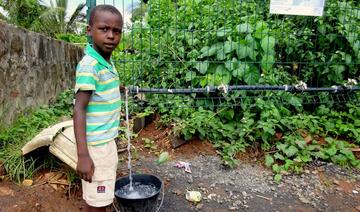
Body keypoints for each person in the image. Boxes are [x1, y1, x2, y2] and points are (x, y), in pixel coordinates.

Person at [73, 4, 123, 212]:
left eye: (116, 31)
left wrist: (116, 86)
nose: (111, 36)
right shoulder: (90, 65)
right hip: (96, 147)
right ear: (89, 30)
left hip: (106, 142)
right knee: (97, 203)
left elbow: (100, 87)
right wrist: (83, 155)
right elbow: (79, 109)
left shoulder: (105, 62)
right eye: (104, 29)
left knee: (102, 195)